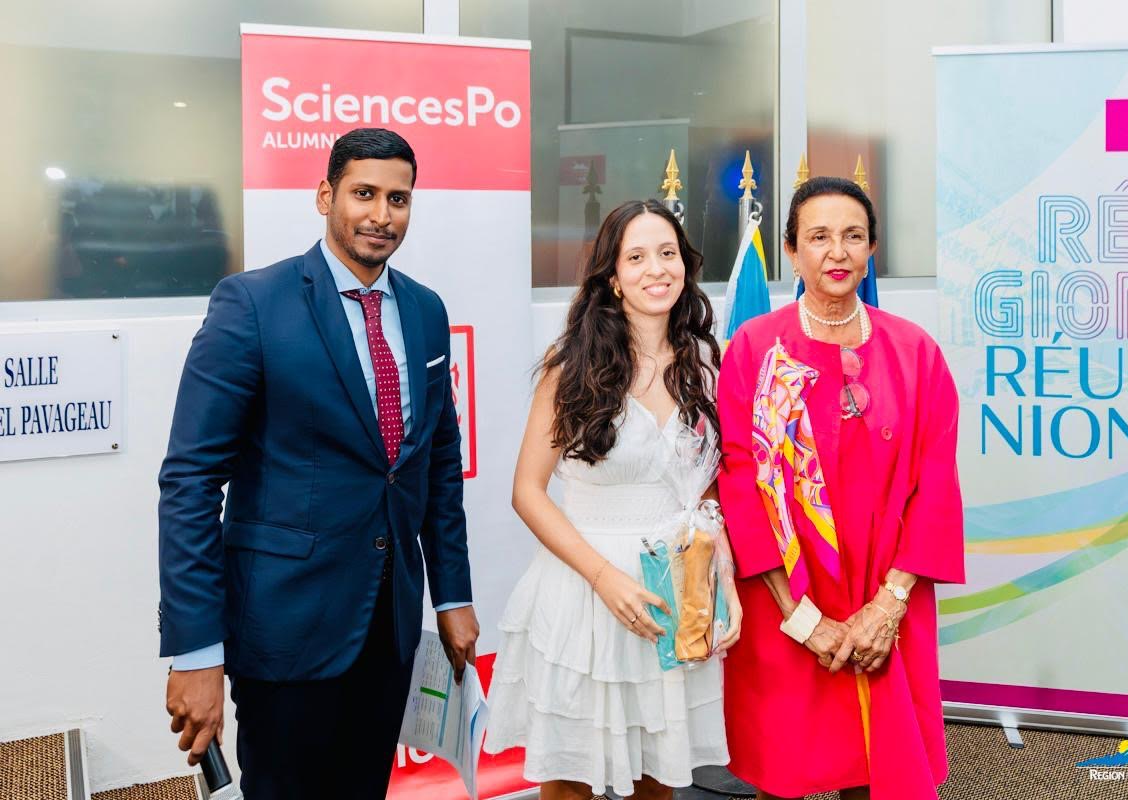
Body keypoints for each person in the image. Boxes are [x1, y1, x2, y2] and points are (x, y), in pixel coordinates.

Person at [157, 128, 479, 799]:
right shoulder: (253, 304)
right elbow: (190, 482)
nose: (381, 215)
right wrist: (196, 651)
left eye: (398, 199)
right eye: (364, 194)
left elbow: (437, 464)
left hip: (389, 627)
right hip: (285, 629)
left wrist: (452, 595)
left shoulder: (425, 311)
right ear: (325, 196)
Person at [484, 200, 742, 800]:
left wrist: (722, 574)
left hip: (675, 590)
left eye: (668, 253)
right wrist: (604, 579)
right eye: (637, 256)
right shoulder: (571, 367)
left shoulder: (707, 362)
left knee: (659, 779)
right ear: (613, 277)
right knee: (571, 783)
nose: (657, 269)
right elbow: (527, 491)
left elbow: (706, 485)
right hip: (586, 592)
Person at [716, 177, 965, 800]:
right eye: (819, 237)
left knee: (876, 766)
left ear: (872, 248)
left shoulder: (915, 352)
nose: (837, 252)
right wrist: (801, 618)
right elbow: (740, 483)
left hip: (888, 587)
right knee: (784, 768)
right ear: (792, 250)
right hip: (785, 592)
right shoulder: (755, 349)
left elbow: (936, 484)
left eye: (853, 236)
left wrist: (889, 605)